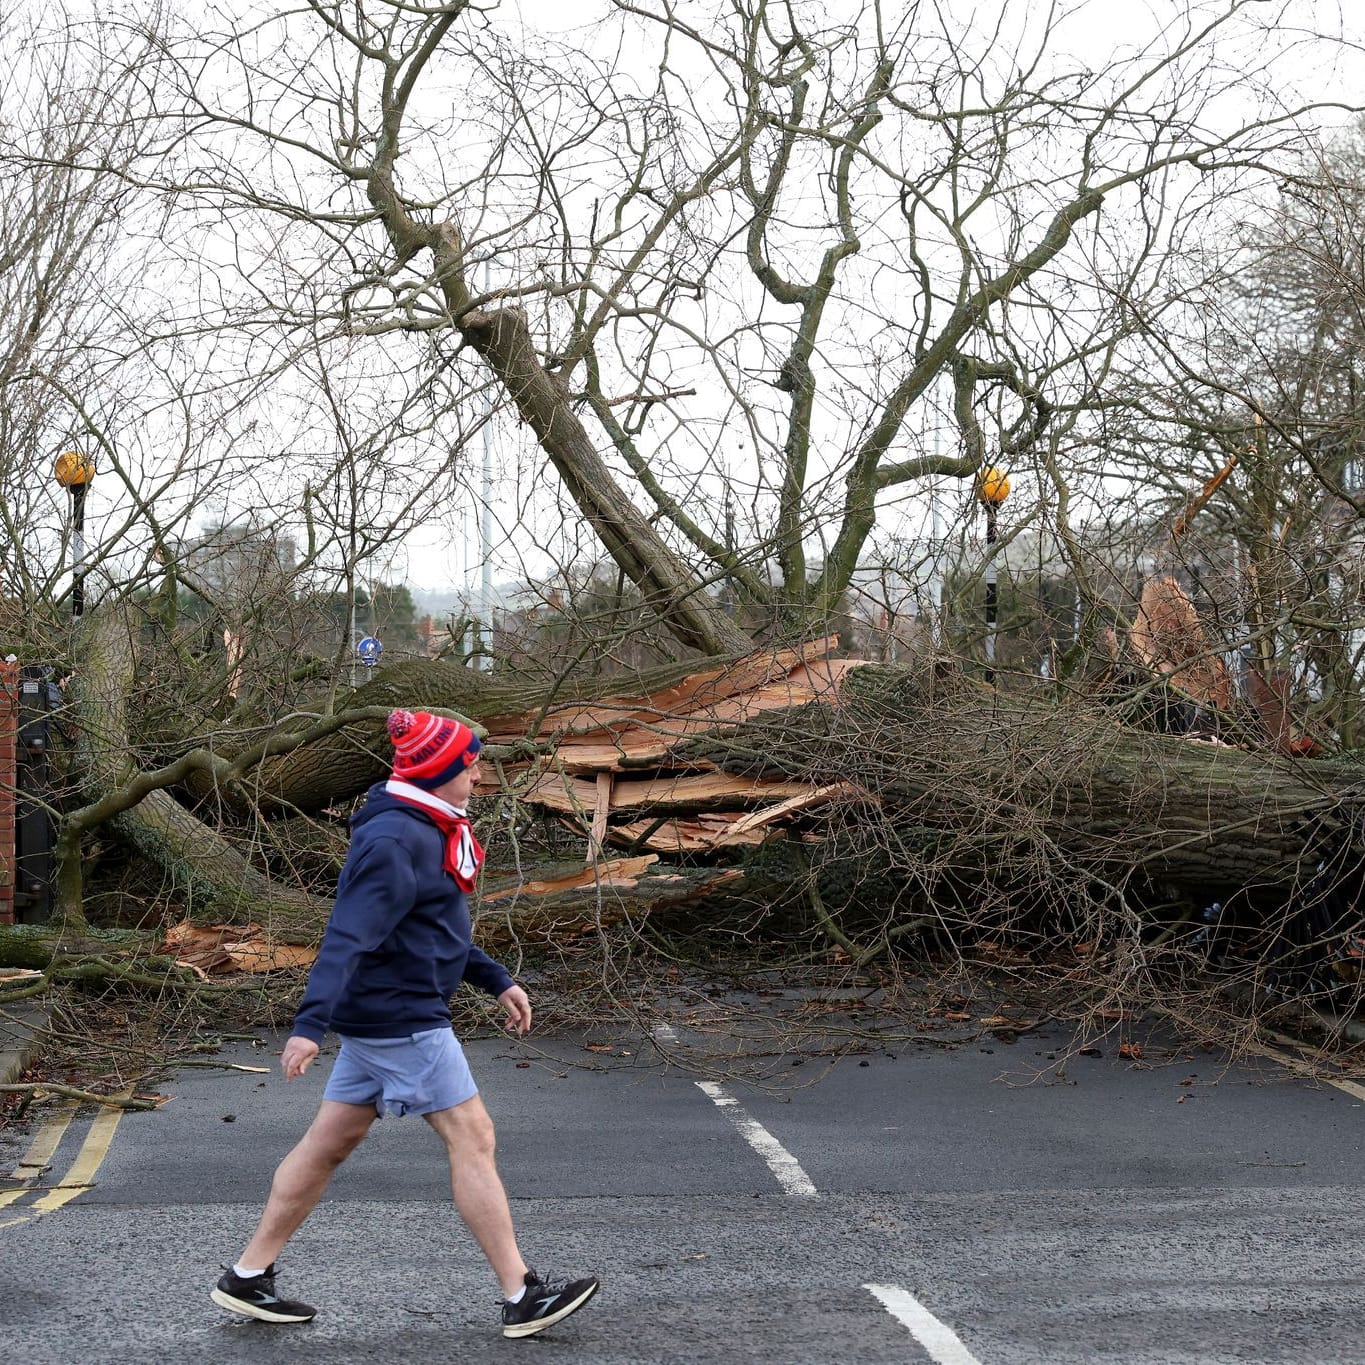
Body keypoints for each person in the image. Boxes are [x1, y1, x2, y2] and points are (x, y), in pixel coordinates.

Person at [210, 708, 599, 1339]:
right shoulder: (397, 840)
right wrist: (310, 1025)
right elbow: (346, 936)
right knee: (474, 1138)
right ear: (439, 770)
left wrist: (496, 978)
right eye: (468, 764)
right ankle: (521, 1293)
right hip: (401, 1017)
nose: (477, 774)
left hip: (386, 1011)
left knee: (327, 1144)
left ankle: (249, 1275)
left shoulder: (427, 826)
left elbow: (429, 931)